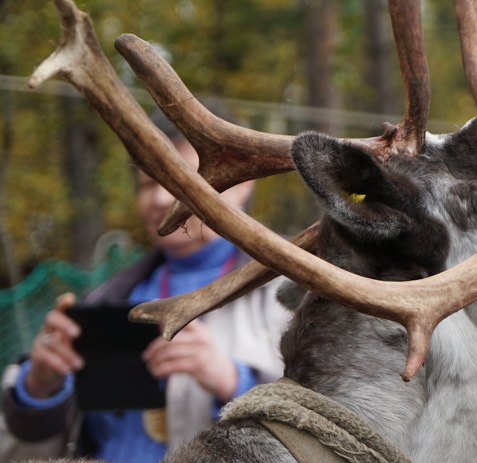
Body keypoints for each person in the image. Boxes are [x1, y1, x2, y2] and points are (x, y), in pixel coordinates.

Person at [0, 112, 292, 462]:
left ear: (242, 182)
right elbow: (28, 445)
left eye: (176, 178)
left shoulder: (294, 294)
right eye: (147, 183)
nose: (158, 200)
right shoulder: (106, 299)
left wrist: (233, 382)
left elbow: (335, 425)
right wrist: (40, 387)